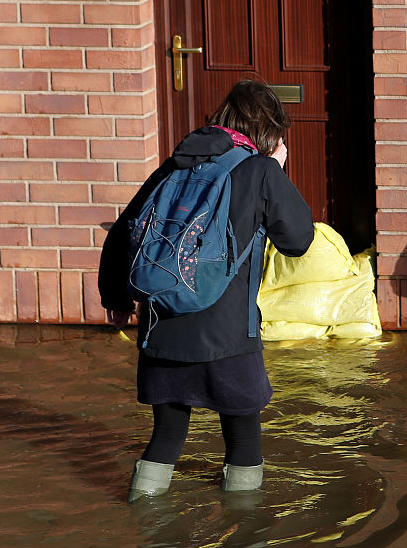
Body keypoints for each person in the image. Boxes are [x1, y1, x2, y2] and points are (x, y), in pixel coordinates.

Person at [99, 79, 314, 500]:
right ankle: (245, 528)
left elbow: (123, 232)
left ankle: (143, 521)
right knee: (244, 443)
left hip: (160, 329)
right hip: (227, 335)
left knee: (165, 438)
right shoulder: (260, 169)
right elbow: (298, 239)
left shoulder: (175, 165)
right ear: (270, 131)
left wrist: (117, 299)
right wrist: (277, 170)